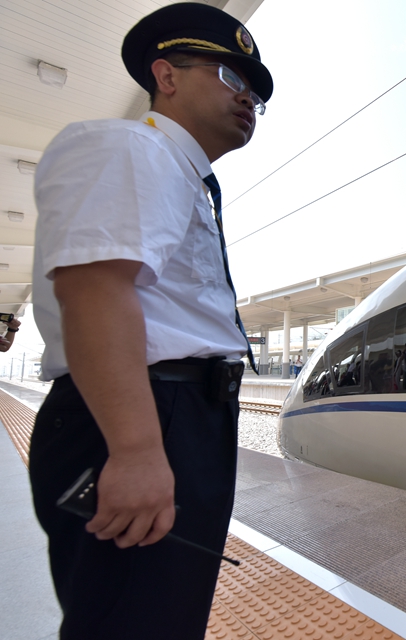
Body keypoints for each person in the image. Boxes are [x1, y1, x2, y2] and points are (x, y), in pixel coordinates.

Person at [27, 5, 273, 639]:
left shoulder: (176, 173)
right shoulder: (131, 146)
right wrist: (136, 450)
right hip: (146, 415)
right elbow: (95, 290)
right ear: (166, 75)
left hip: (176, 415)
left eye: (255, 94)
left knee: (161, 617)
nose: (247, 98)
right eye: (231, 76)